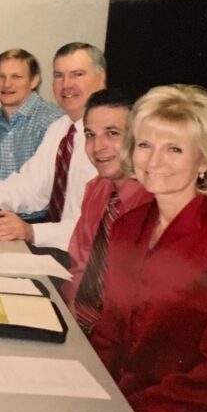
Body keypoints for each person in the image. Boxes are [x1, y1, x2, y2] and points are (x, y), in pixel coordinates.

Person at [91, 85, 207, 412]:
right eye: (145, 145)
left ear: (204, 161)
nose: (155, 161)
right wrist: (85, 391)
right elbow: (109, 333)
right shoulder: (129, 226)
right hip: (123, 404)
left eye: (174, 149)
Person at [0, 42, 106, 251]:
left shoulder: (109, 141)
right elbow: (29, 185)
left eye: (77, 74)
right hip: (57, 244)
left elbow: (93, 228)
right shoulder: (61, 129)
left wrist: (31, 232)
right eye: (59, 75)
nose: (66, 84)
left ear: (101, 78)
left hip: (90, 260)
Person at [60, 88, 151, 335]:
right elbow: (80, 263)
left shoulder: (153, 206)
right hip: (76, 322)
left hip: (114, 339)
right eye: (90, 135)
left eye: (112, 133)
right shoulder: (97, 189)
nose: (97, 146)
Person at [0, 49, 62, 184]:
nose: (7, 84)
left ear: (34, 81)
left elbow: (48, 188)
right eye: (0, 76)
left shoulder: (52, 123)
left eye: (16, 77)